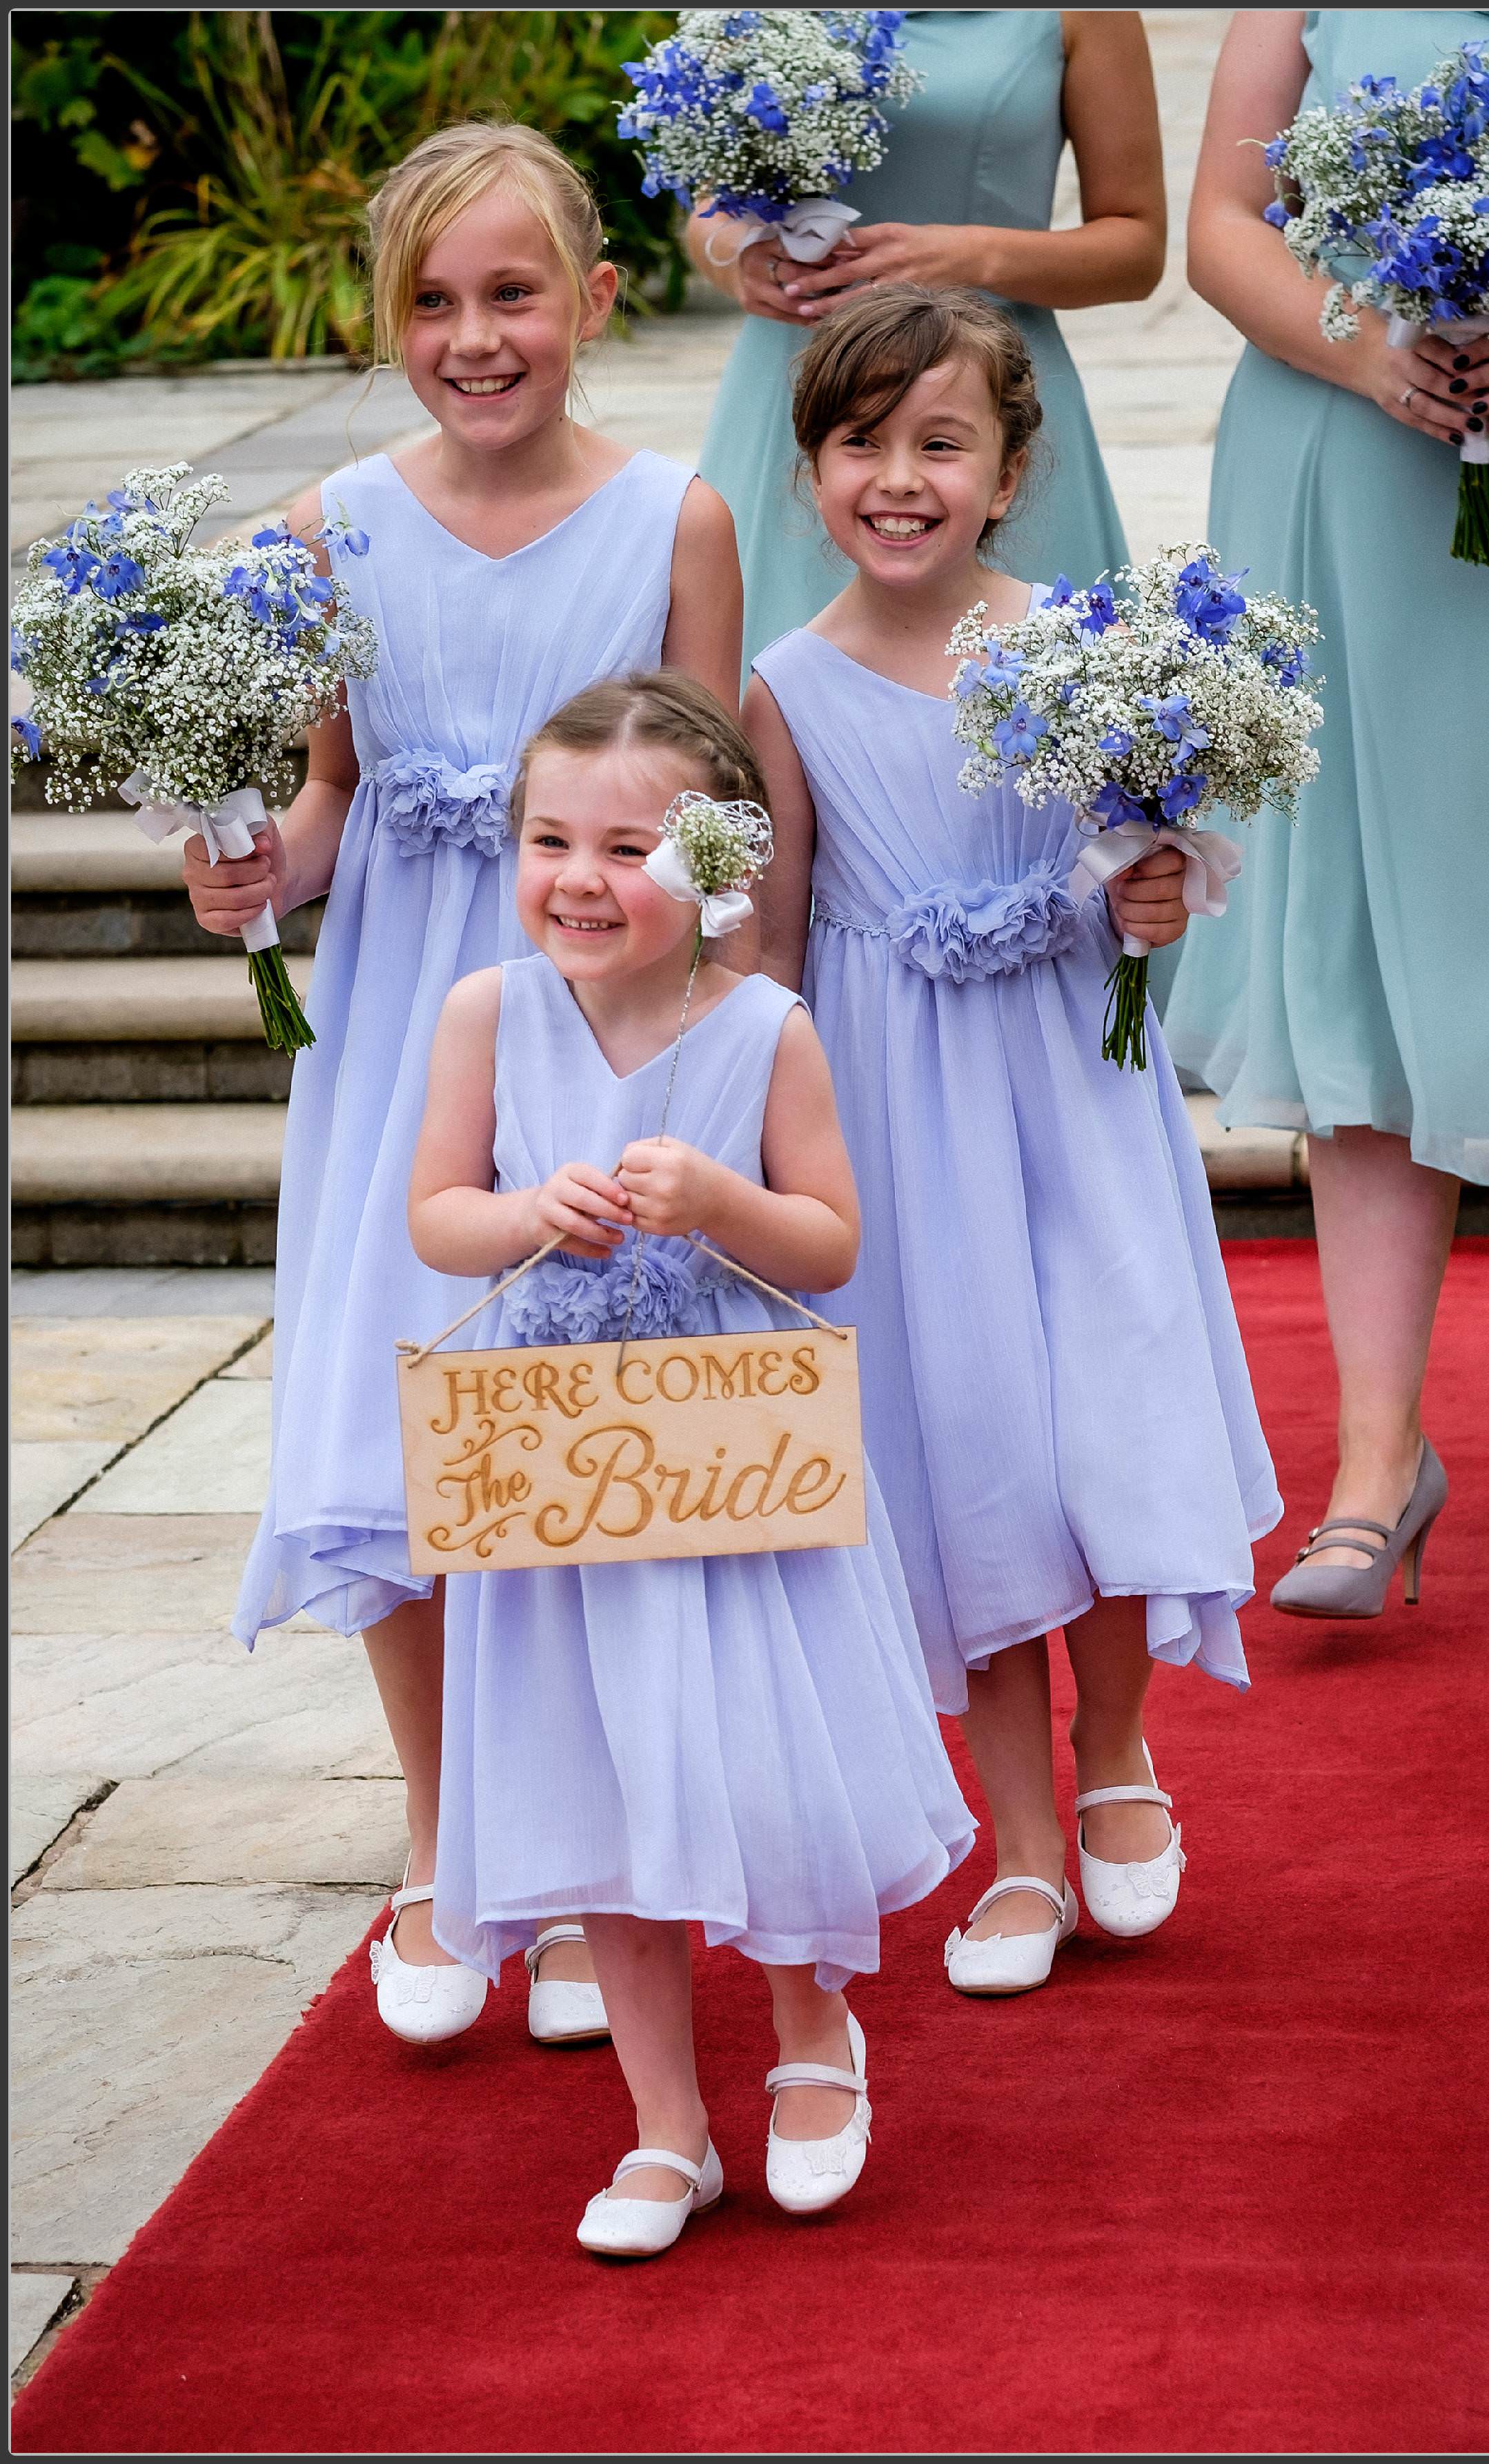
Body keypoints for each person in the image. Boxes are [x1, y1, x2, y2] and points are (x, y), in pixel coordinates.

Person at [180, 121, 743, 2045]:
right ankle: (441, 1842)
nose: (473, 336)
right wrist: (257, 862)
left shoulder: (676, 518)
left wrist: (721, 1057)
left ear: (592, 300)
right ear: (385, 318)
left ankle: (582, 1855)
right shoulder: (332, 528)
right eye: (432, 301)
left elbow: (723, 835)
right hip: (409, 1023)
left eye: (512, 293)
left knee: (568, 1430)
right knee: (400, 1409)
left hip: (603, 1027)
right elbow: (333, 794)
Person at [746, 286, 1279, 1999]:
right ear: (812, 466)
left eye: (938, 443)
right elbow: (767, 941)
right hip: (895, 1116)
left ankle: (1117, 1752)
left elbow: (1161, 872)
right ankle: (1022, 1846)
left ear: (1008, 468)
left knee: (1094, 1424)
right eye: (859, 443)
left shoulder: (1080, 650)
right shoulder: (782, 689)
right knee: (963, 1449)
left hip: (1069, 1085)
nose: (897, 478)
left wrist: (1157, 889)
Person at [409, 671, 974, 2256]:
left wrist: (720, 1201)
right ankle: (668, 2128)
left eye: (630, 847)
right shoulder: (486, 1015)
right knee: (596, 1790)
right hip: (567, 1476)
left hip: (735, 1469)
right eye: (550, 840)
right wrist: (531, 1214)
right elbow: (437, 1212)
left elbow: (836, 1241)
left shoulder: (765, 1030)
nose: (581, 881)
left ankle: (812, 2042)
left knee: (761, 1764)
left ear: (716, 859)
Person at [1163, 9, 1489, 1612]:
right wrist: (1362, 343)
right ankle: (1376, 1460)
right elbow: (1221, 230)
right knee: (1359, 935)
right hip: (1348, 468)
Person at [689, 9, 1166, 666]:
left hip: (983, 392)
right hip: (804, 389)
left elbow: (1137, 247)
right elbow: (708, 214)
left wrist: (967, 257)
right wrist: (737, 262)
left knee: (1045, 724)